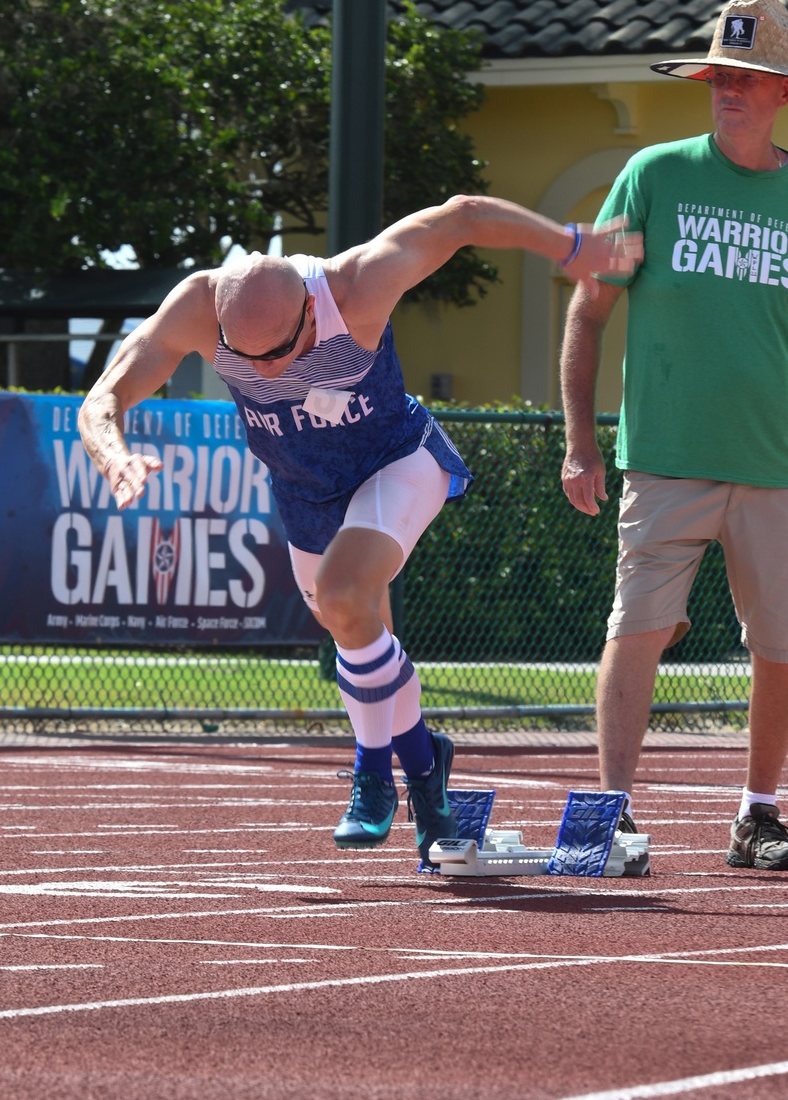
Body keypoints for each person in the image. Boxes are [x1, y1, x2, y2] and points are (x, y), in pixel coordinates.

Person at [79, 195, 641, 865]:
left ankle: (373, 772)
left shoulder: (358, 283)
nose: (262, 372)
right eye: (242, 355)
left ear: (311, 310)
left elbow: (460, 218)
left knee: (345, 592)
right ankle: (427, 777)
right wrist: (113, 455)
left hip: (396, 462)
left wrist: (572, 245)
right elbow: (103, 397)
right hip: (306, 496)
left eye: (281, 352)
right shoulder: (197, 306)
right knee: (356, 630)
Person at [560, 0, 788, 872]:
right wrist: (580, 443)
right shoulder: (654, 176)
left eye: (748, 78)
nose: (728, 89)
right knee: (636, 627)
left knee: (782, 648)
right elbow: (589, 313)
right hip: (664, 459)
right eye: (719, 75)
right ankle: (613, 810)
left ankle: (757, 815)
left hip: (783, 467)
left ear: (787, 93)